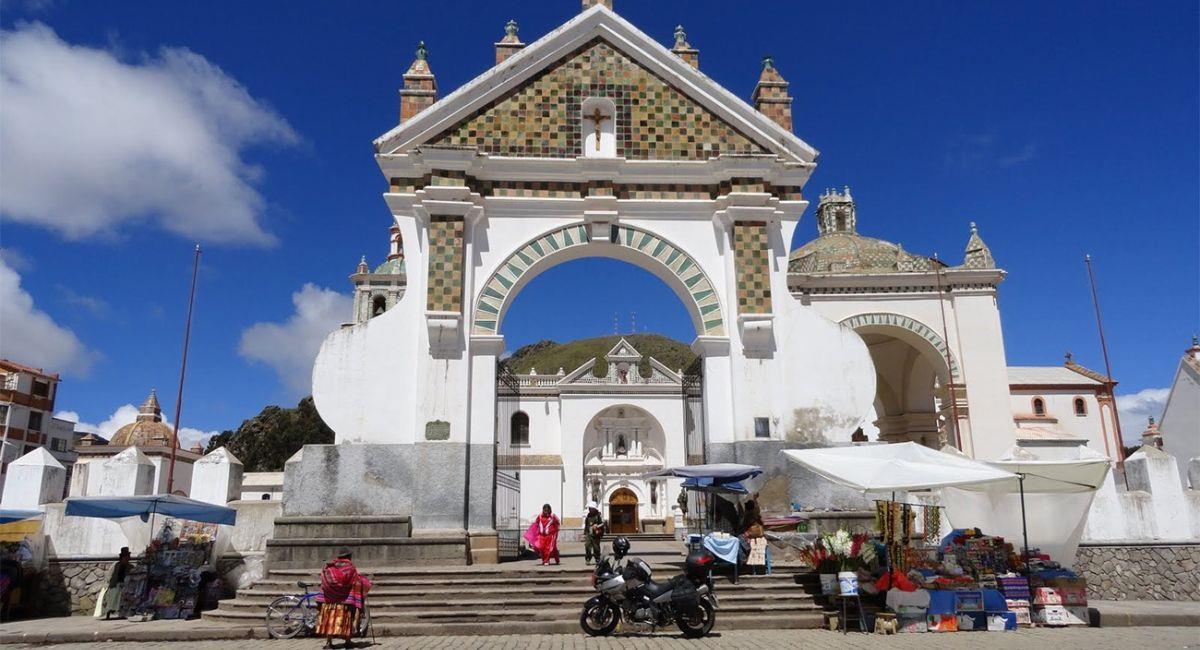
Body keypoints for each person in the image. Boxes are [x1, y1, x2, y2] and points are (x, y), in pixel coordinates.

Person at [315, 547, 372, 649]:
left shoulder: (330, 567)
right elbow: (355, 581)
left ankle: (329, 643)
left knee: (329, 620)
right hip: (344, 599)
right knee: (346, 618)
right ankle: (348, 641)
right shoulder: (351, 568)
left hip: (329, 599)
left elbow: (324, 582)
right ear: (349, 556)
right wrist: (363, 583)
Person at [95, 547, 131, 620]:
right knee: (113, 593)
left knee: (124, 593)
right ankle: (108, 612)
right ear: (122, 557)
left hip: (125, 585)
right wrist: (108, 585)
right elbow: (109, 576)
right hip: (114, 585)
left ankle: (123, 613)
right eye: (126, 557)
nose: (128, 559)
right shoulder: (115, 565)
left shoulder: (129, 566)